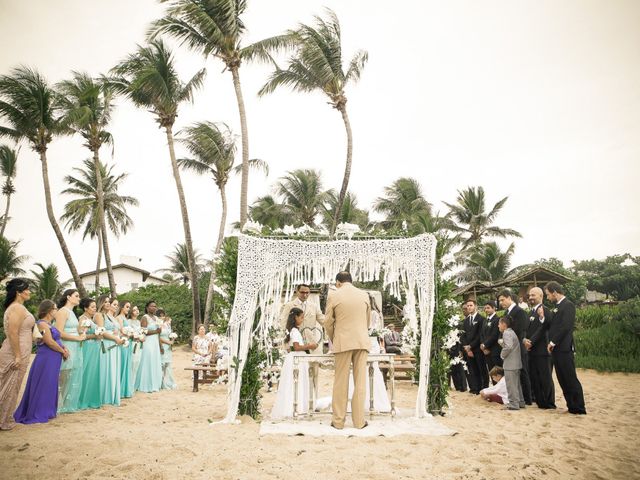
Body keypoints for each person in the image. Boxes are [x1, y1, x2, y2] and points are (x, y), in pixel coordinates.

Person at [324, 271, 371, 430]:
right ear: (351, 281)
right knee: (360, 382)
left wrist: (333, 338)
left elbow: (328, 323)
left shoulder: (334, 295)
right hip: (361, 341)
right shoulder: (364, 294)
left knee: (340, 382)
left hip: (343, 341)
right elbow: (368, 321)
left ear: (338, 282)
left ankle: (338, 421)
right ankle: (359, 422)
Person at [14, 300, 69, 424]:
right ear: (49, 310)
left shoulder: (50, 324)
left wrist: (64, 348)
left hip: (54, 358)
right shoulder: (42, 324)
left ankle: (48, 410)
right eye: (55, 308)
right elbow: (49, 341)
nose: (56, 311)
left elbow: (56, 340)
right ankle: (39, 411)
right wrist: (62, 351)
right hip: (46, 358)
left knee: (51, 382)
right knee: (44, 382)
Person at [543, 281, 586, 414]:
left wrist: (553, 342)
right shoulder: (556, 307)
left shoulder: (568, 305)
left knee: (570, 377)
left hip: (564, 348)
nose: (548, 297)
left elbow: (566, 327)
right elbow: (553, 326)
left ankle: (579, 407)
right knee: (561, 378)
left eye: (548, 294)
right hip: (556, 349)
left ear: (555, 292)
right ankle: (571, 406)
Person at [0, 278, 35, 430]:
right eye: (26, 289)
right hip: (15, 352)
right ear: (18, 292)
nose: (29, 291)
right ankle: (4, 420)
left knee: (13, 386)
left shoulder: (17, 307)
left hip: (19, 350)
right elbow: (12, 333)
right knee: (8, 385)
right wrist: (17, 355)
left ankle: (5, 418)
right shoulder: (17, 308)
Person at [270, 308, 318, 419]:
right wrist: (310, 346)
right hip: (297, 359)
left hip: (292, 358)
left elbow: (290, 347)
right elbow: (296, 347)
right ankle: (298, 407)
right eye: (301, 317)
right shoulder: (295, 331)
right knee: (298, 382)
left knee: (292, 383)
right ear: (295, 317)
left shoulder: (291, 330)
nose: (302, 319)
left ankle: (292, 406)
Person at [497, 289, 532, 405]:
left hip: (517, 347)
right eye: (500, 301)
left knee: (523, 372)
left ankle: (527, 398)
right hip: (509, 347)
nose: (501, 303)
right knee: (515, 376)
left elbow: (522, 328)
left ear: (509, 297)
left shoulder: (519, 312)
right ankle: (519, 399)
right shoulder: (506, 313)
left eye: (502, 300)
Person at [523, 287, 556, 409]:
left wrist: (531, 342)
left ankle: (549, 403)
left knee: (545, 377)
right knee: (535, 377)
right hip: (531, 351)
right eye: (530, 295)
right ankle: (540, 401)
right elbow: (527, 329)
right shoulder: (530, 312)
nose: (530, 297)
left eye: (533, 295)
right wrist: (525, 340)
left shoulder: (545, 310)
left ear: (541, 296)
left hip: (542, 351)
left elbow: (545, 327)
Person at [55, 289, 85, 413]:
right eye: (76, 296)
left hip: (76, 346)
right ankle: (58, 405)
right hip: (67, 345)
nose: (79, 298)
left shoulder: (73, 313)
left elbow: (76, 330)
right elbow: (59, 332)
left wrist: (82, 329)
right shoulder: (62, 311)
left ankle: (68, 404)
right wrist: (77, 338)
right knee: (63, 374)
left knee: (71, 374)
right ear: (68, 297)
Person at [279, 284, 325, 355]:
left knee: (313, 364)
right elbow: (283, 324)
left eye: (307, 292)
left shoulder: (314, 306)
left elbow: (323, 321)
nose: (305, 295)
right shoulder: (289, 305)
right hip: (295, 343)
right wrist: (285, 343)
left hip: (310, 343)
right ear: (297, 292)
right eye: (302, 292)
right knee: (297, 365)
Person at [95, 296, 124, 405]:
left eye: (108, 302)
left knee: (113, 369)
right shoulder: (99, 315)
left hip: (114, 343)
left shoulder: (111, 317)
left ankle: (112, 395)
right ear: (101, 303)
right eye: (105, 302)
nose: (107, 303)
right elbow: (102, 331)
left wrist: (118, 337)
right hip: (107, 344)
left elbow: (115, 329)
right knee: (106, 369)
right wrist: (115, 338)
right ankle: (105, 396)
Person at [78, 298, 102, 409]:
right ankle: (83, 399)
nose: (94, 309)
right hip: (87, 347)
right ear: (85, 308)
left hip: (95, 348)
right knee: (86, 371)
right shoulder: (83, 319)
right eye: (92, 307)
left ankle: (91, 398)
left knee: (93, 372)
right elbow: (82, 335)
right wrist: (95, 336)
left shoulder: (90, 319)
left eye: (95, 307)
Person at [135, 301, 163, 393]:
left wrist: (160, 345)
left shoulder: (156, 318)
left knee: (155, 361)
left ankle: (155, 383)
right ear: (147, 307)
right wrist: (156, 331)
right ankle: (145, 384)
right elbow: (143, 332)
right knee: (148, 361)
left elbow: (159, 333)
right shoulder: (144, 317)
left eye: (155, 306)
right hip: (148, 342)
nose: (154, 308)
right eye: (152, 306)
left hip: (155, 342)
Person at [461, 299, 487, 393]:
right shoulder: (466, 321)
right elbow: (463, 335)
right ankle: (476, 388)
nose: (469, 307)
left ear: (475, 306)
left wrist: (471, 346)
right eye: (467, 306)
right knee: (472, 369)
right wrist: (466, 347)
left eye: (471, 305)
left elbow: (480, 335)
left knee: (481, 369)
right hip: (468, 350)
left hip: (477, 349)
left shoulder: (481, 319)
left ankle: (484, 388)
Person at [499, 315, 524, 411]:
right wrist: (502, 343)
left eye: (499, 324)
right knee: (517, 384)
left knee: (511, 385)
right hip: (516, 363)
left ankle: (513, 404)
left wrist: (502, 355)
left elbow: (509, 347)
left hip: (510, 363)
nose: (498, 326)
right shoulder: (511, 332)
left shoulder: (506, 333)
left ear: (504, 324)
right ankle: (520, 402)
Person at [117, 300, 135, 399]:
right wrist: (128, 333)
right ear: (122, 307)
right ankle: (120, 389)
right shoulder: (119, 318)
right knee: (122, 365)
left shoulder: (125, 318)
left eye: (129, 307)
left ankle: (126, 389)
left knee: (127, 365)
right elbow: (120, 331)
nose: (129, 309)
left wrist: (132, 334)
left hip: (128, 343)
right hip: (123, 343)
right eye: (127, 307)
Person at [480, 300, 502, 375]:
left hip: (495, 351)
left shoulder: (497, 319)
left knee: (498, 373)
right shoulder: (485, 320)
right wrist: (483, 345)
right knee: (491, 373)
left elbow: (495, 335)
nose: (486, 310)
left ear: (494, 308)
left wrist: (485, 345)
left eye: (488, 308)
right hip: (486, 351)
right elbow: (482, 334)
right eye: (485, 308)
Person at [158, 309, 177, 390]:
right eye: (160, 316)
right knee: (162, 365)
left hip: (168, 348)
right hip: (162, 345)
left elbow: (170, 334)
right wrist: (167, 343)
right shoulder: (158, 325)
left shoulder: (167, 325)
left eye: (163, 315)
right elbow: (158, 337)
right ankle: (161, 383)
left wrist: (173, 339)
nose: (162, 317)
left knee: (168, 365)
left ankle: (167, 382)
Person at [128, 305, 143, 383]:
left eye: (137, 309)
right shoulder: (129, 321)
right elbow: (128, 333)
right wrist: (134, 336)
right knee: (132, 363)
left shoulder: (139, 322)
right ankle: (130, 384)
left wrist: (142, 337)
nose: (137, 311)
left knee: (137, 363)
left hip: (139, 344)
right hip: (132, 344)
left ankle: (133, 384)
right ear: (131, 312)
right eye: (134, 310)